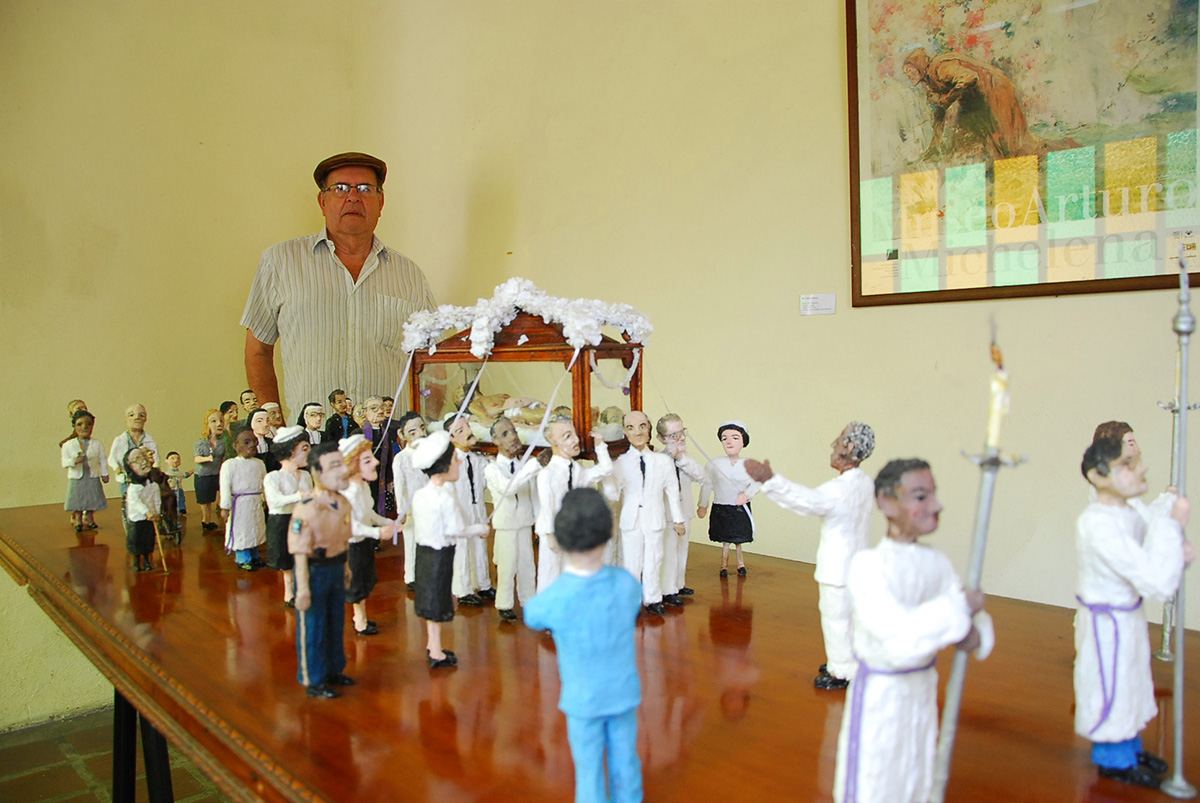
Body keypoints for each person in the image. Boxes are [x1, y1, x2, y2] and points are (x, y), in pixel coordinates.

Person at [833, 458, 983, 803]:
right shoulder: (868, 567)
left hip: (922, 689)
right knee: (880, 772)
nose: (936, 505)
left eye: (933, 494)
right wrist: (958, 611)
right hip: (884, 694)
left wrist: (970, 631)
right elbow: (898, 638)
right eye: (920, 496)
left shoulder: (937, 563)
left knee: (917, 767)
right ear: (887, 502)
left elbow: (957, 619)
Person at [240, 152, 436, 415]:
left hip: (388, 444)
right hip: (310, 444)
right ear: (322, 201)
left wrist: (424, 431)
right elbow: (258, 352)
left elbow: (433, 362)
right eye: (340, 188)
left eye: (365, 189)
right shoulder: (280, 262)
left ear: (381, 202)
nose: (353, 196)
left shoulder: (409, 275)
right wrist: (273, 426)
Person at [1075, 436, 1192, 788]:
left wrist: (1168, 504)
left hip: (1127, 617)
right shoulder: (1098, 524)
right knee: (1114, 687)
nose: (1140, 468)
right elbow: (1155, 580)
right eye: (1127, 464)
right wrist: (1172, 528)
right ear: (1098, 475)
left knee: (1133, 685)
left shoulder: (1125, 511)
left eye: (1135, 460)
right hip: (1108, 624)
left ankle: (1130, 746)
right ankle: (1113, 758)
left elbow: (1150, 521)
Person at [525, 488, 644, 803]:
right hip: (623, 693)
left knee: (588, 770)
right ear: (610, 532)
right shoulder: (627, 584)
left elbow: (532, 616)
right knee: (626, 761)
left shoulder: (556, 598)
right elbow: (634, 602)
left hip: (583, 701)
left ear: (561, 540)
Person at [745, 422, 876, 690]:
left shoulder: (840, 490)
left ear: (849, 447)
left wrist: (770, 481)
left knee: (836, 618)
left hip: (838, 568)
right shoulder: (865, 483)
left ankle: (841, 669)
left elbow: (808, 501)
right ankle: (850, 661)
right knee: (850, 618)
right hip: (857, 565)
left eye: (839, 440)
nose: (833, 445)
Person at [410, 431, 490, 668]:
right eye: (454, 458)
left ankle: (433, 645)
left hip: (424, 554)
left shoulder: (422, 494)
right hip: (439, 555)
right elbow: (457, 529)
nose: (459, 461)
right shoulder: (444, 497)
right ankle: (435, 651)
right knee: (437, 601)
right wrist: (479, 528)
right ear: (443, 465)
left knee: (431, 600)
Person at [289, 441, 356, 699]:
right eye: (334, 466)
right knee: (313, 625)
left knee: (335, 622)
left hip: (336, 567)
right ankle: (313, 678)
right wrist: (303, 588)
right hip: (314, 572)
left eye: (343, 464)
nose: (342, 471)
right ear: (317, 472)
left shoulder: (343, 503)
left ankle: (333, 669)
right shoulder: (306, 508)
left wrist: (347, 567)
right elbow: (299, 552)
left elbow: (344, 539)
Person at [603, 411, 686, 615]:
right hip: (631, 520)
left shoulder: (662, 461)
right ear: (625, 432)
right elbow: (613, 495)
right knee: (631, 561)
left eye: (642, 426)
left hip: (655, 519)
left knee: (654, 559)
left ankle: (653, 598)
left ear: (649, 428)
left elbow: (673, 492)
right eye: (631, 428)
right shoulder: (620, 463)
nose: (637, 432)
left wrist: (678, 519)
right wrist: (605, 475)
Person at [535, 417, 613, 593]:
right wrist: (550, 534)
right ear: (552, 441)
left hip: (573, 532)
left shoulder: (577, 470)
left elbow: (605, 470)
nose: (576, 440)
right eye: (567, 436)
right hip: (554, 532)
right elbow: (547, 507)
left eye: (575, 435)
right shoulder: (547, 474)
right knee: (550, 573)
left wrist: (600, 445)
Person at [484, 418, 542, 622]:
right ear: (495, 439)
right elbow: (508, 488)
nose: (514, 437)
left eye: (514, 432)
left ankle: (529, 599)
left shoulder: (525, 466)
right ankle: (504, 603)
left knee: (527, 564)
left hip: (525, 522)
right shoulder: (492, 469)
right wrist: (534, 465)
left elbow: (533, 494)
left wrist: (538, 522)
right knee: (507, 566)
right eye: (506, 433)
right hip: (506, 525)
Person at [339, 434, 396, 635]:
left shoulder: (362, 487)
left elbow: (368, 513)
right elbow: (351, 526)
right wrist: (378, 531)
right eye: (367, 460)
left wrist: (386, 521)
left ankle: (360, 615)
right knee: (356, 583)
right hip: (351, 546)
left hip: (363, 543)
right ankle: (359, 620)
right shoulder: (348, 492)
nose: (376, 462)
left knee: (364, 579)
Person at [697, 421, 759, 577]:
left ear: (744, 441)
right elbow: (707, 484)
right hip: (721, 508)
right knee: (725, 540)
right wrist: (702, 505)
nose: (729, 442)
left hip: (739, 508)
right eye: (725, 438)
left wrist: (746, 495)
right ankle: (723, 564)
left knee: (738, 539)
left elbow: (758, 482)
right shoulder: (714, 464)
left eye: (735, 438)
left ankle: (740, 563)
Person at [445, 414, 494, 605]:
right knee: (462, 550)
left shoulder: (477, 459)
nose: (467, 432)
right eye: (460, 430)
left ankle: (483, 584)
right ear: (451, 438)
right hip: (459, 513)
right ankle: (463, 590)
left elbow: (485, 482)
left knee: (480, 547)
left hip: (477, 510)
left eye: (467, 427)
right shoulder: (449, 462)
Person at [264, 427, 313, 608]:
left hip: (301, 520)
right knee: (286, 560)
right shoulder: (273, 477)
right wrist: (298, 497)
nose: (309, 453)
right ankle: (289, 592)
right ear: (291, 451)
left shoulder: (306, 475)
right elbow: (275, 501)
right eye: (304, 449)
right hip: (282, 521)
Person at [656, 414, 700, 599]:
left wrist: (681, 458)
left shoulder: (686, 459)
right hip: (668, 515)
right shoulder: (658, 459)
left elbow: (701, 476)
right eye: (673, 435)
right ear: (661, 438)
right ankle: (667, 589)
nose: (680, 438)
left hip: (685, 510)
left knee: (683, 548)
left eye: (682, 432)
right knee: (669, 551)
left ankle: (679, 583)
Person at [391, 411, 430, 591]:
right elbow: (399, 486)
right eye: (413, 432)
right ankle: (411, 575)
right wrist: (402, 511)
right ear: (402, 435)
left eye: (422, 428)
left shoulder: (430, 455)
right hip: (411, 508)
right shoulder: (401, 459)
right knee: (412, 540)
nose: (420, 434)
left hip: (429, 506)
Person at [220, 429, 267, 571]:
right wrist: (225, 507)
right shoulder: (229, 465)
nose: (251, 445)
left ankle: (255, 555)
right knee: (242, 530)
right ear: (236, 445)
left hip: (255, 501)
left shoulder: (259, 464)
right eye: (246, 442)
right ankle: (243, 557)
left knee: (255, 529)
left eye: (254, 442)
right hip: (239, 505)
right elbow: (225, 487)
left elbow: (264, 482)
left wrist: (264, 498)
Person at [61, 409, 108, 532]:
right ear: (74, 427)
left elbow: (102, 459)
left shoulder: (97, 444)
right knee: (78, 497)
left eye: (88, 424)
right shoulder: (68, 445)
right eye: (80, 424)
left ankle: (90, 519)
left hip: (91, 475)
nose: (84, 427)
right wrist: (74, 461)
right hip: (77, 477)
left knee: (92, 497)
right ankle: (78, 519)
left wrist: (104, 473)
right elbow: (64, 462)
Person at [123, 448, 161, 572]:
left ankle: (146, 560)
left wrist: (156, 512)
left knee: (148, 540)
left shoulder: (153, 485)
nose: (143, 462)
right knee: (136, 541)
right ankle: (136, 562)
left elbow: (156, 500)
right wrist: (146, 512)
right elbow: (135, 502)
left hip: (149, 518)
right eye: (137, 459)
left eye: (143, 458)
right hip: (137, 518)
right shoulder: (133, 488)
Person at [194, 409, 227, 532]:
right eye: (214, 421)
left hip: (216, 474)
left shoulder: (221, 443)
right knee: (205, 500)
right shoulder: (201, 443)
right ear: (207, 424)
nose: (218, 424)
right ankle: (205, 520)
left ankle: (210, 519)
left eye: (221, 421)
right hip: (203, 475)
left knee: (212, 499)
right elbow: (196, 458)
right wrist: (207, 458)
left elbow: (222, 457)